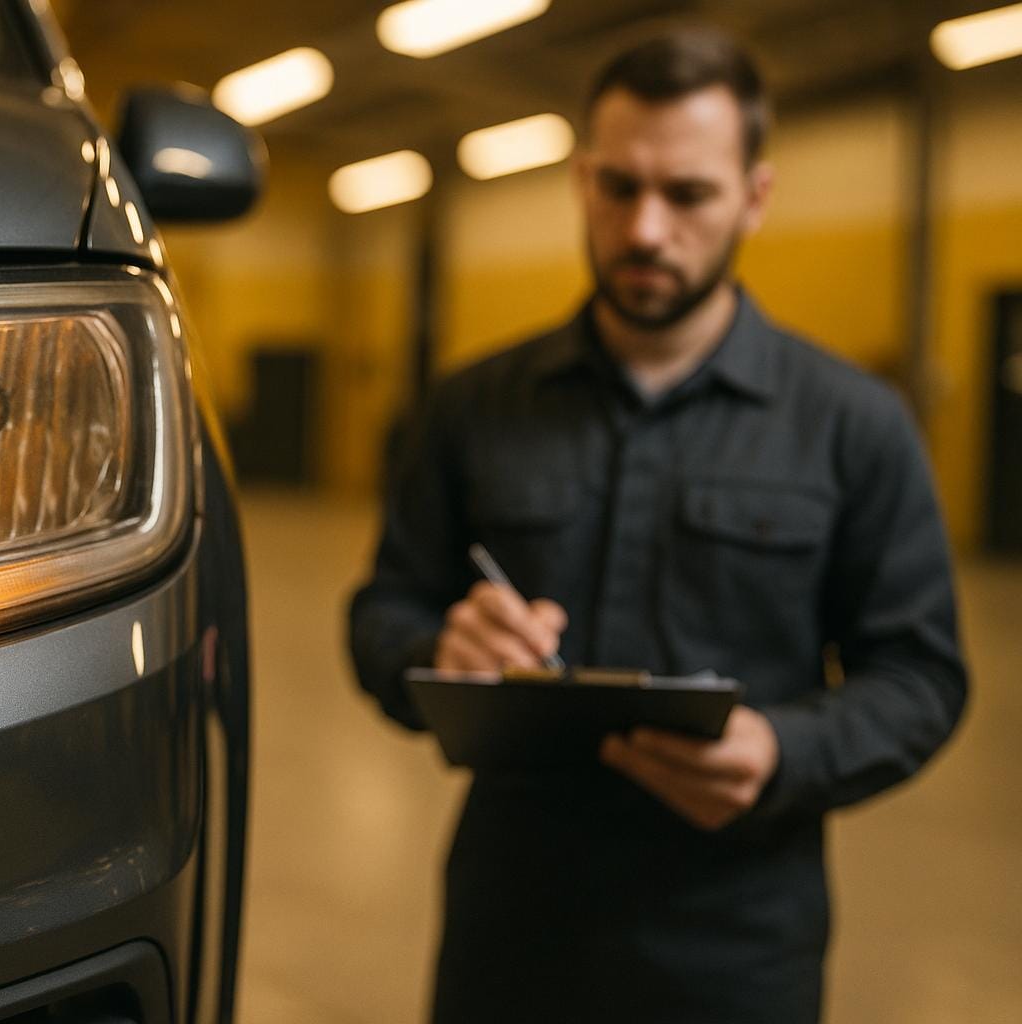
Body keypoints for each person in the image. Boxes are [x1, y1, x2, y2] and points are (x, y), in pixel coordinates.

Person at [348, 27, 967, 1024]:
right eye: (619, 187)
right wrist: (435, 648)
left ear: (754, 197)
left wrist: (783, 750)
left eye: (687, 195)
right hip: (512, 932)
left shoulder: (853, 425)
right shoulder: (471, 407)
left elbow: (923, 677)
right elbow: (381, 609)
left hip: (735, 947)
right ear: (582, 179)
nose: (644, 229)